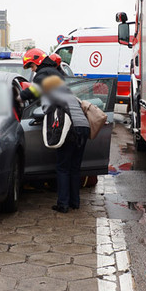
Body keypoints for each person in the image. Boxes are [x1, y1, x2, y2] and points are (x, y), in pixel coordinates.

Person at [41, 75, 90, 213]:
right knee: (75, 168)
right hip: (84, 129)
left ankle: (63, 204)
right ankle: (75, 202)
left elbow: (45, 111)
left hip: (70, 130)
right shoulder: (73, 97)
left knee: (63, 168)